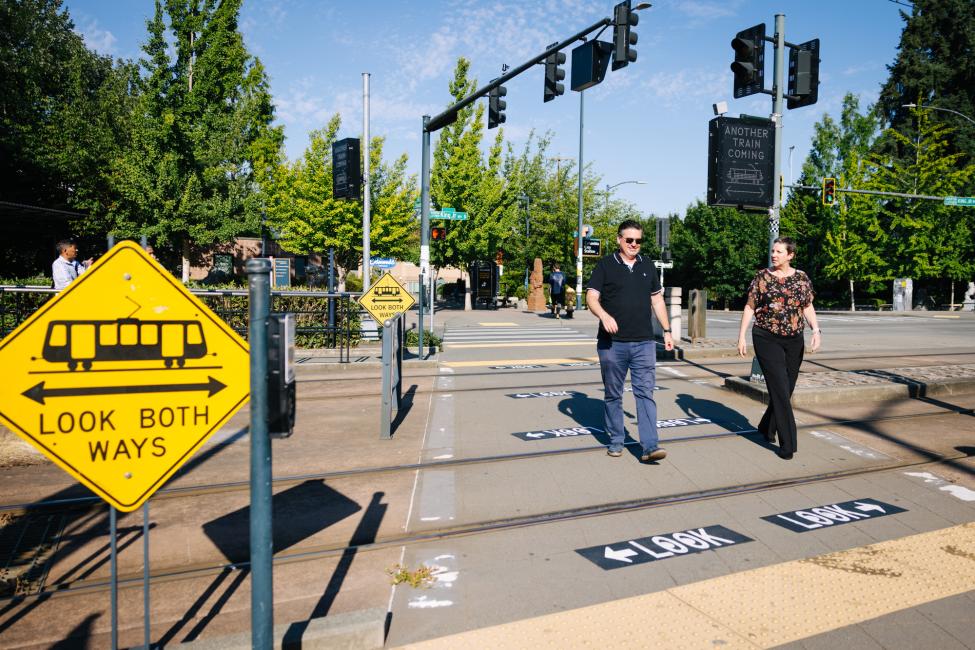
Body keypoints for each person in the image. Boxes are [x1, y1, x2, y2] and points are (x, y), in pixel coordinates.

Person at [587, 220, 675, 462]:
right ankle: (616, 440)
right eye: (629, 240)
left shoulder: (647, 264)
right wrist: (604, 315)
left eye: (638, 240)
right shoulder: (606, 265)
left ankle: (650, 445)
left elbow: (657, 301)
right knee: (613, 394)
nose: (634, 244)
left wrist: (667, 331)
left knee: (645, 393)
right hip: (612, 344)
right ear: (619, 240)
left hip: (644, 343)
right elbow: (591, 297)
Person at [736, 237, 821, 460]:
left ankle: (766, 426)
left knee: (787, 388)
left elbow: (807, 306)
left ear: (790, 255)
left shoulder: (801, 278)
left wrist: (816, 330)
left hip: (794, 339)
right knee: (780, 390)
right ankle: (788, 443)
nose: (774, 255)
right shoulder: (762, 277)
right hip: (766, 337)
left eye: (779, 252)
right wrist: (742, 336)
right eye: (773, 251)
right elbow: (750, 306)